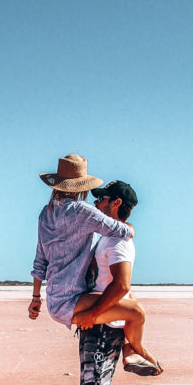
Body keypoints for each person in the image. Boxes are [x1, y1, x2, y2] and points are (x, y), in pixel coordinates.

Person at [28, 155, 160, 370]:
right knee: (136, 312)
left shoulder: (46, 213)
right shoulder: (83, 211)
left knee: (129, 298)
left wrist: (35, 298)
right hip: (73, 301)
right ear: (82, 186)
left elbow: (39, 260)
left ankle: (131, 355)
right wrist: (132, 228)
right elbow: (122, 230)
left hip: (54, 301)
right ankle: (142, 354)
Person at [72, 179, 157, 385]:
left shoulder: (119, 242)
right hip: (100, 321)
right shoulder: (109, 237)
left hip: (105, 325)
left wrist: (93, 314)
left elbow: (121, 285)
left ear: (116, 204)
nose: (97, 204)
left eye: (102, 199)